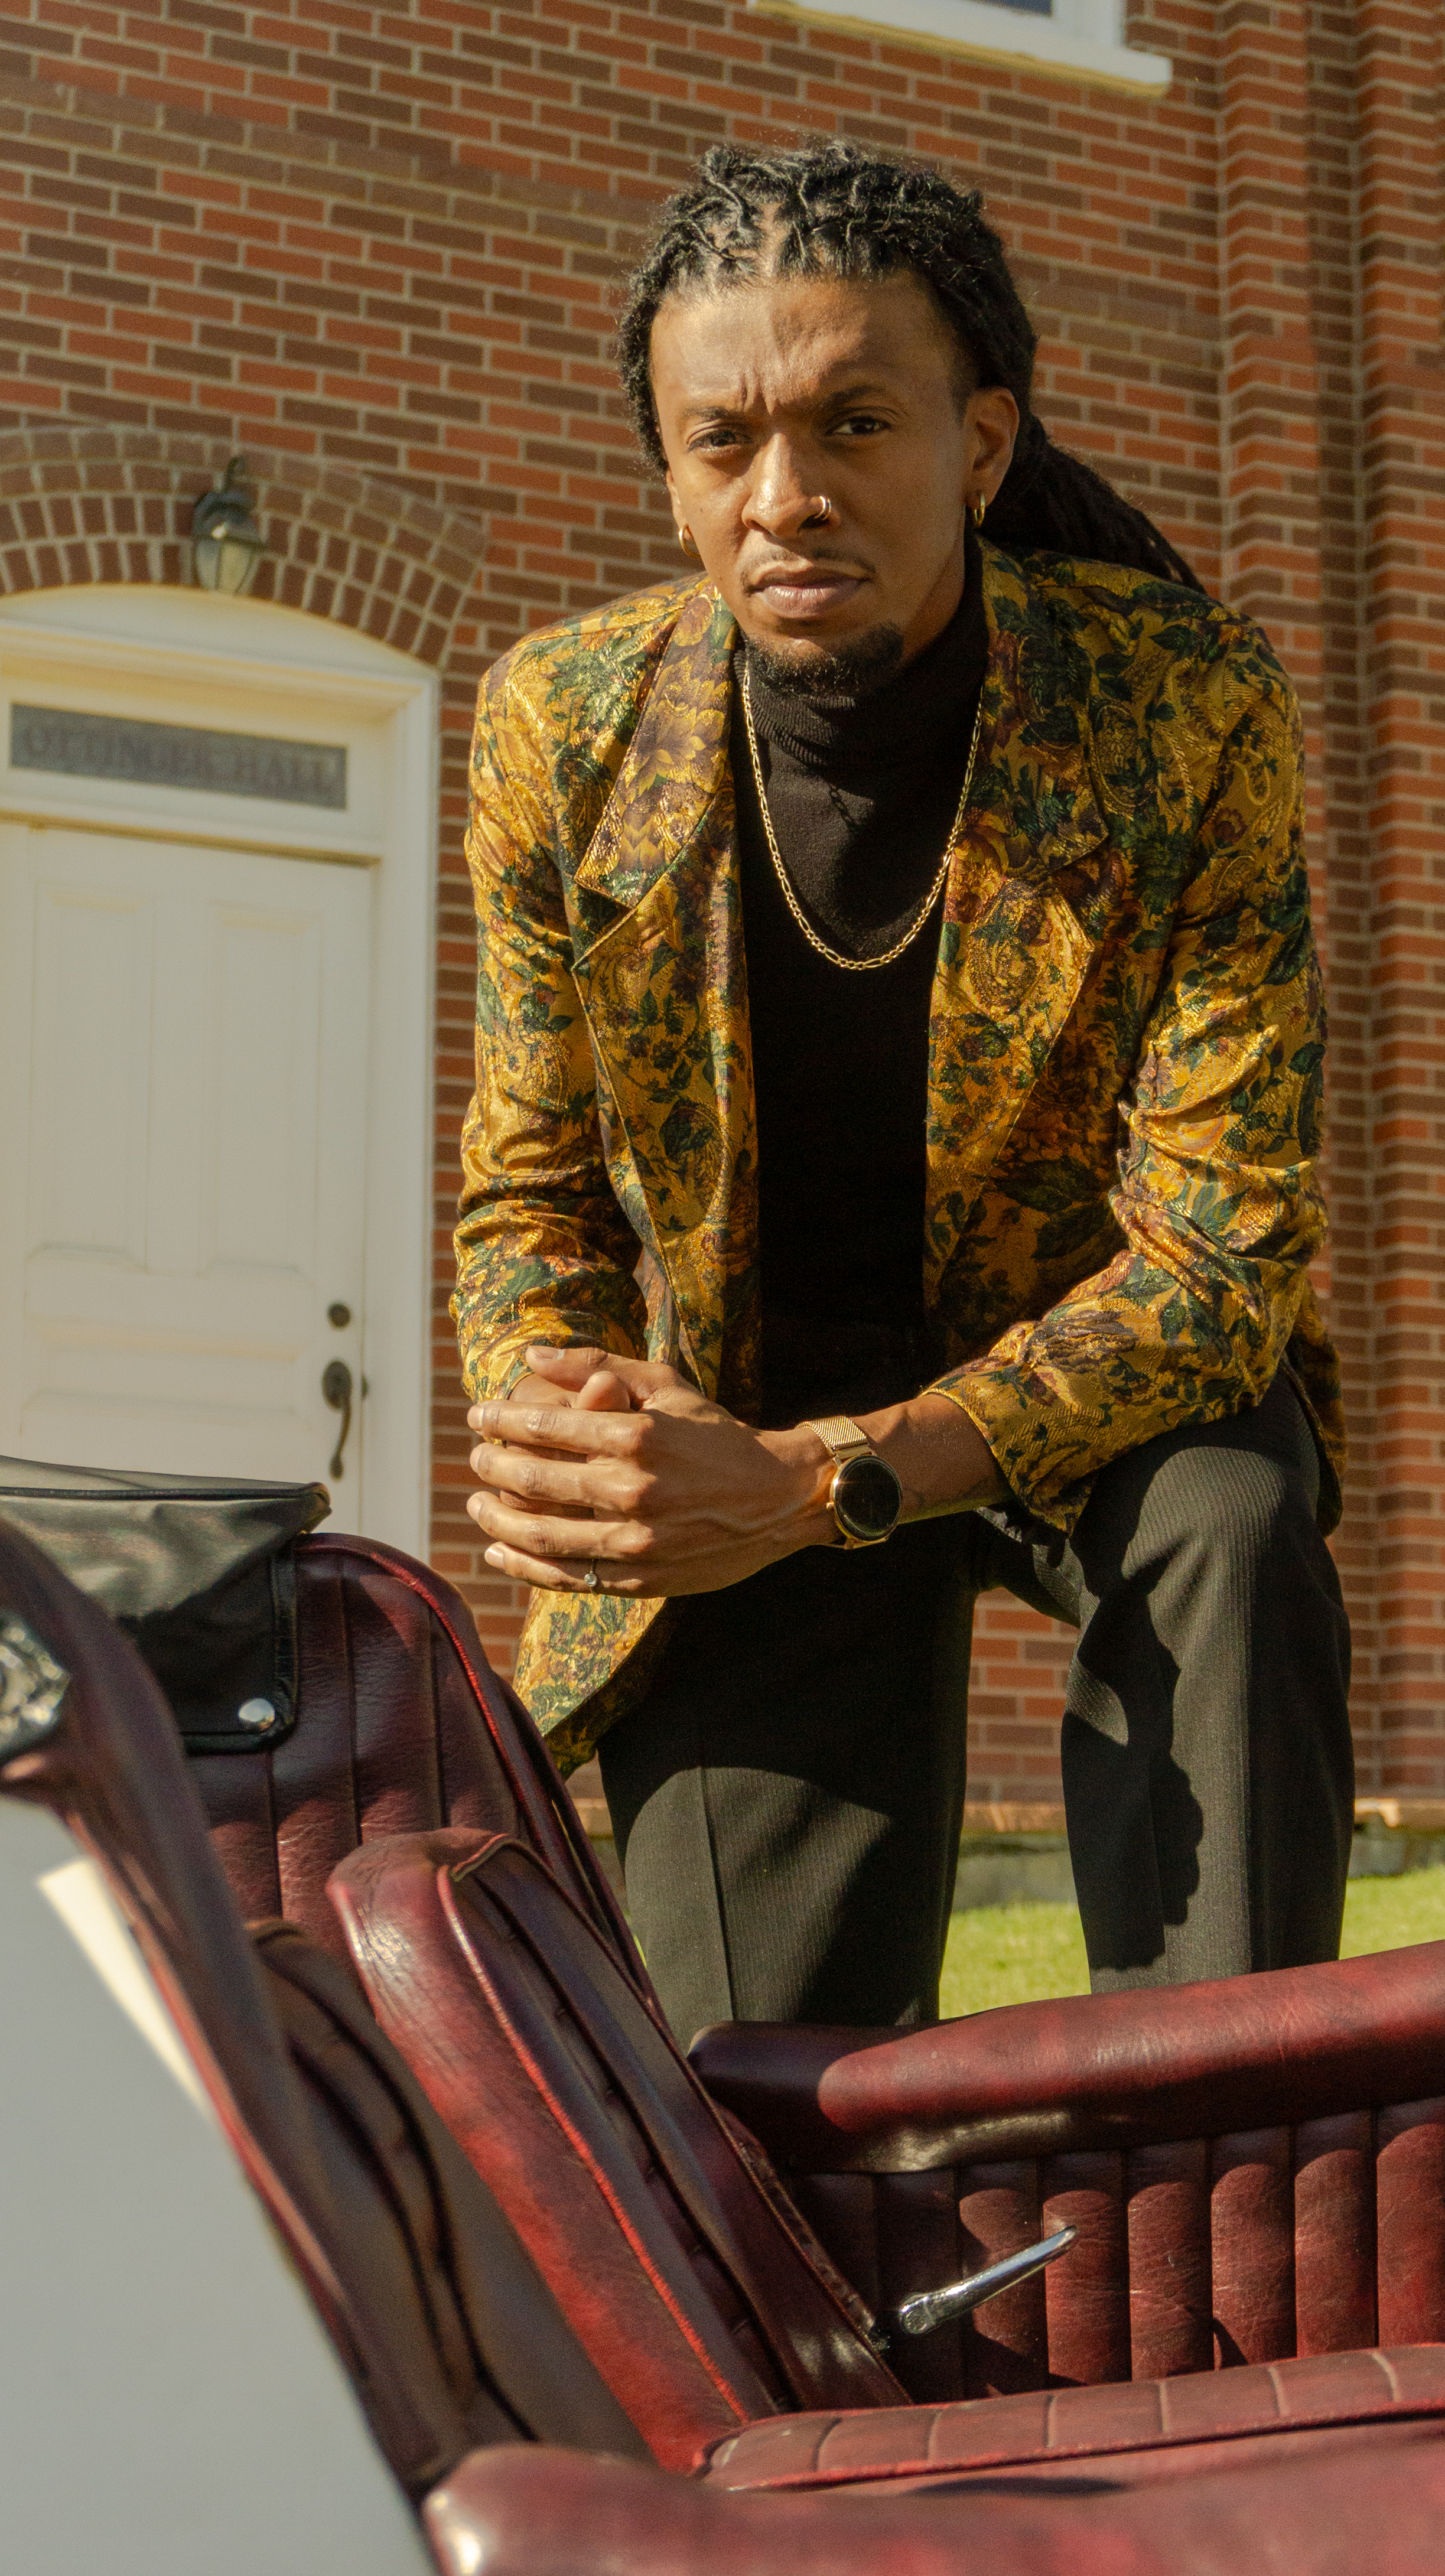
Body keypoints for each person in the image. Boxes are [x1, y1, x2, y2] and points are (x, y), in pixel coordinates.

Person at [454, 135, 1351, 2045]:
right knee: (759, 2097)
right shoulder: (562, 726)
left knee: (1230, 1513)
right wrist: (574, 1422)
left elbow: (1219, 1262)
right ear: (672, 471)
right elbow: (527, 1199)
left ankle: (1236, 2151)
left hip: (1098, 1383)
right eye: (724, 443)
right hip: (750, 1390)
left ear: (985, 444)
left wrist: (830, 1483)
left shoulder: (1182, 708)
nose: (786, 496)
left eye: (856, 422)